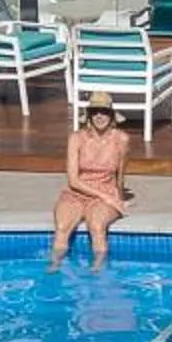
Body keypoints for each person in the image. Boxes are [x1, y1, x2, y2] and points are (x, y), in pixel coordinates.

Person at [50, 93, 132, 267]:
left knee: (96, 226)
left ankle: (98, 270)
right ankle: (54, 268)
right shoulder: (76, 138)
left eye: (104, 111)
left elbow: (120, 173)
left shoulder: (121, 139)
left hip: (105, 191)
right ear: (89, 115)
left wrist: (118, 198)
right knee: (62, 227)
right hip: (77, 192)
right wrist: (106, 197)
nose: (99, 116)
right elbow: (73, 180)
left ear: (111, 115)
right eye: (95, 112)